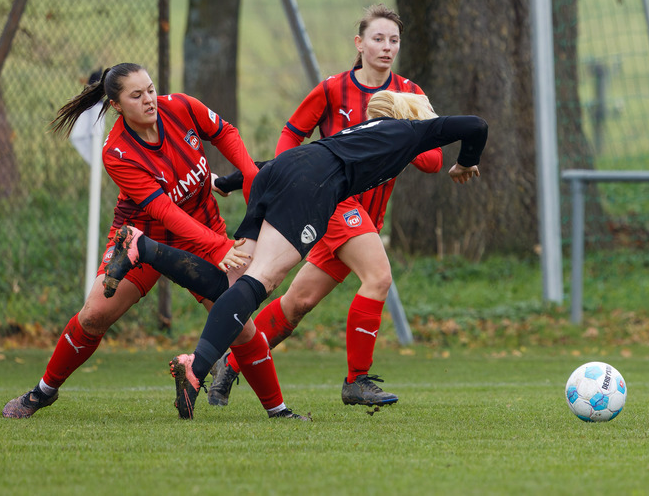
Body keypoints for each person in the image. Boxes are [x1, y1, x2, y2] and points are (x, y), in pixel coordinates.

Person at [104, 90, 487, 419]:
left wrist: (230, 181)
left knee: (233, 282)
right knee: (261, 281)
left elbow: (285, 161)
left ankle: (144, 248)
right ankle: (197, 365)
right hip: (316, 187)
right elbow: (475, 126)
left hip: (288, 169)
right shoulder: (410, 130)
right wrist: (467, 161)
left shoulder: (363, 131)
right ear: (416, 117)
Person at [2, 63, 307, 421]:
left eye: (150, 89)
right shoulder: (117, 152)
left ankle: (279, 411)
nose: (150, 99)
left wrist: (252, 176)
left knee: (239, 321)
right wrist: (218, 246)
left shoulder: (180, 107)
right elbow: (164, 212)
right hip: (141, 239)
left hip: (202, 231)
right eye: (137, 95)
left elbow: (225, 132)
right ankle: (43, 392)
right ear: (117, 105)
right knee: (94, 315)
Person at [207, 3, 442, 409]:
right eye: (378, 39)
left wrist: (408, 136)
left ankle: (231, 361)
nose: (387, 47)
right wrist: (290, 180)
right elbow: (290, 136)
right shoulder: (334, 89)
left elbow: (434, 162)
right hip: (335, 204)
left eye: (394, 41)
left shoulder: (410, 95)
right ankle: (357, 381)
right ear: (360, 43)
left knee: (298, 303)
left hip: (364, 218)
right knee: (379, 277)